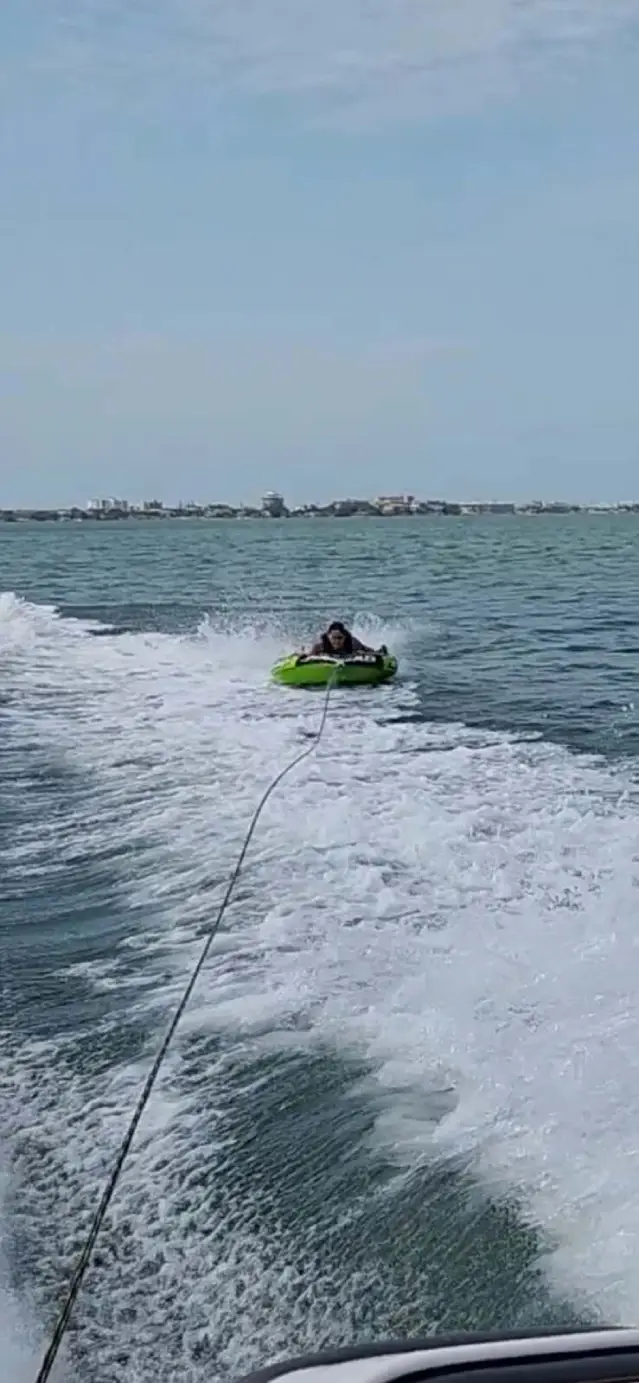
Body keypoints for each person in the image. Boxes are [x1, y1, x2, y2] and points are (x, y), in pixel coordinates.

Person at [304, 621, 383, 658]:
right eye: (334, 638)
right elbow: (308, 656)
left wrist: (362, 654)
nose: (337, 641)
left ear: (345, 637)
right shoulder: (319, 647)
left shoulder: (353, 644)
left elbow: (370, 653)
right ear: (328, 637)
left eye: (340, 638)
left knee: (371, 651)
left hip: (353, 650)